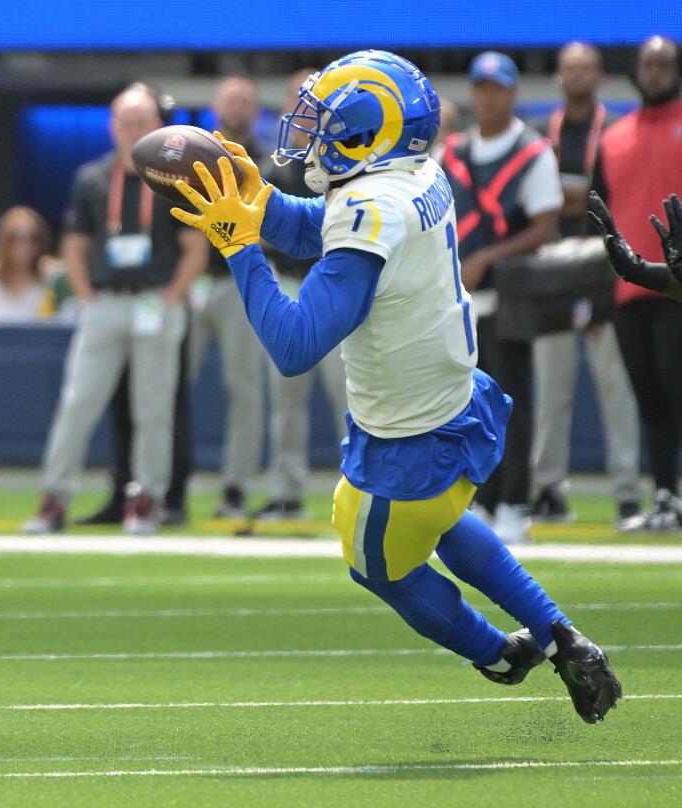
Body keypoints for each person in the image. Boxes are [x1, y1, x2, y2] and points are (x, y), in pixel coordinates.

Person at [170, 49, 620, 724]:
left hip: (405, 438)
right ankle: (564, 638)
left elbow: (294, 345)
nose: (311, 133)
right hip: (453, 402)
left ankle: (498, 653)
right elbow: (320, 225)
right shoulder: (413, 172)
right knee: (441, 519)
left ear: (370, 131)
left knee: (377, 564)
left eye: (326, 120)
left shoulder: (369, 208)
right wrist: (257, 204)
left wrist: (238, 247)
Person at [22, 82, 208, 535]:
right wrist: (84, 294)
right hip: (104, 302)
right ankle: (54, 498)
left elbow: (195, 245)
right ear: (113, 127)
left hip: (156, 300)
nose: (133, 131)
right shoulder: (92, 178)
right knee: (77, 402)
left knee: (154, 408)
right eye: (126, 123)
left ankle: (146, 498)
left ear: (159, 127)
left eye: (142, 123)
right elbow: (75, 243)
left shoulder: (175, 179)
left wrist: (172, 295)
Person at [440, 52, 563, 544]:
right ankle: (483, 499)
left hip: (511, 298)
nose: (489, 97)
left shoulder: (533, 153)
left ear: (512, 93)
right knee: (465, 407)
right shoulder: (450, 153)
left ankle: (515, 500)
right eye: (481, 88)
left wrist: (489, 257)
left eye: (498, 87)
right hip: (461, 302)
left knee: (510, 402)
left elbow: (546, 226)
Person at [529, 43, 640, 526]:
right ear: (558, 77)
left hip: (602, 263)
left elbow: (603, 199)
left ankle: (628, 491)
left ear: (599, 77)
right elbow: (542, 203)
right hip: (553, 264)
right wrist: (573, 198)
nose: (577, 76)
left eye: (585, 69)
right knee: (551, 385)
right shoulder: (541, 134)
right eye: (568, 68)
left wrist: (568, 197)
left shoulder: (616, 132)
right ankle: (548, 488)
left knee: (615, 382)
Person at [588, 35, 682, 531]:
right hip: (628, 290)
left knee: (677, 389)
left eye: (665, 63)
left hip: (678, 288)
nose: (656, 70)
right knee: (650, 398)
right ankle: (666, 497)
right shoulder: (613, 137)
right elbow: (602, 216)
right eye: (648, 62)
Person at [257, 68, 348, 522]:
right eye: (299, 97)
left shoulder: (346, 154)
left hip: (333, 281)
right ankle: (286, 491)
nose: (304, 106)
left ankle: (361, 483)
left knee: (348, 394)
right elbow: (261, 227)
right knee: (285, 399)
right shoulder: (275, 163)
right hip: (289, 282)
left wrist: (295, 233)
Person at [187, 75, 268, 520]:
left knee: (244, 387)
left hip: (241, 280)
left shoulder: (265, 162)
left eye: (245, 99)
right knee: (171, 384)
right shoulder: (190, 154)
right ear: (216, 105)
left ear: (255, 110)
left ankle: (236, 486)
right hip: (195, 281)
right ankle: (167, 485)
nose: (236, 106)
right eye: (229, 98)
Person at [0, 206, 55, 323]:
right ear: (3, 241)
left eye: (33, 238)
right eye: (15, 238)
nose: (25, 246)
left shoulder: (51, 277)